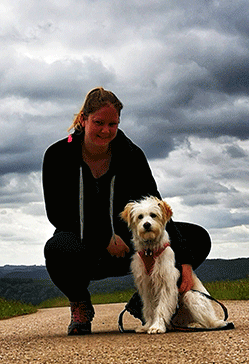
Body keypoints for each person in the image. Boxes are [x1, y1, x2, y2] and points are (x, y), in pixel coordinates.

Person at [42, 87, 212, 334]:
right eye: (98, 122)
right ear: (83, 120)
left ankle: (145, 303)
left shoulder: (131, 155)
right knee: (56, 250)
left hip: (134, 244)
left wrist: (184, 260)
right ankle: (80, 303)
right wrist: (103, 238)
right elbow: (57, 213)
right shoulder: (58, 155)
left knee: (197, 238)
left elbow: (157, 206)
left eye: (113, 124)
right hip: (85, 245)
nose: (106, 130)